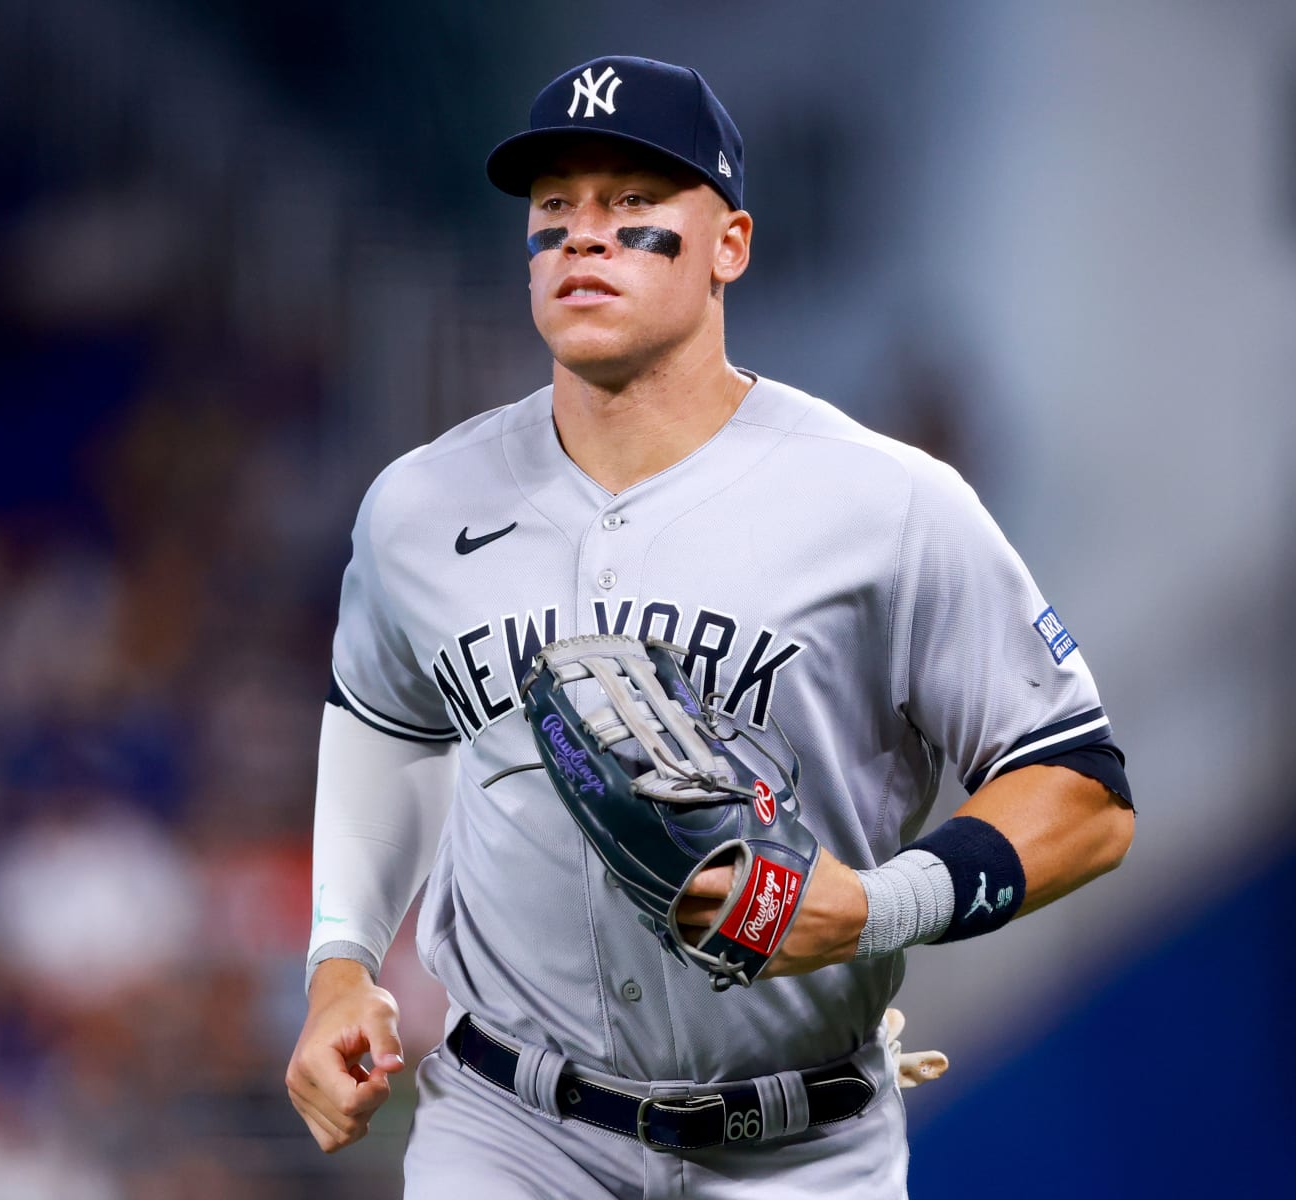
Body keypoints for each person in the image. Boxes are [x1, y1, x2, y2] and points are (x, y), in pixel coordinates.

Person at [285, 55, 1135, 1198]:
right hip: (507, 1130)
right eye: (555, 211)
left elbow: (1081, 791)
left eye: (634, 206)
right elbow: (384, 732)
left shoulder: (887, 504)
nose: (584, 236)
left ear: (729, 243)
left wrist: (882, 908)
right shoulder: (418, 507)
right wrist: (340, 962)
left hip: (801, 1148)